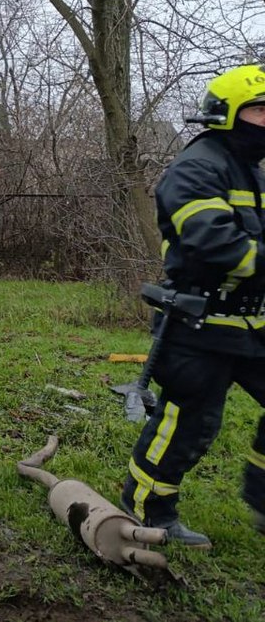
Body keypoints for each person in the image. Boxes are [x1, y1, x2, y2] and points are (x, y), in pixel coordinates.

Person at [121, 64, 265, 548]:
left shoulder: (252, 170)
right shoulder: (196, 167)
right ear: (227, 115)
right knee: (188, 424)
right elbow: (212, 242)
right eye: (261, 110)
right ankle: (147, 510)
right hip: (197, 326)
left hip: (250, 326)